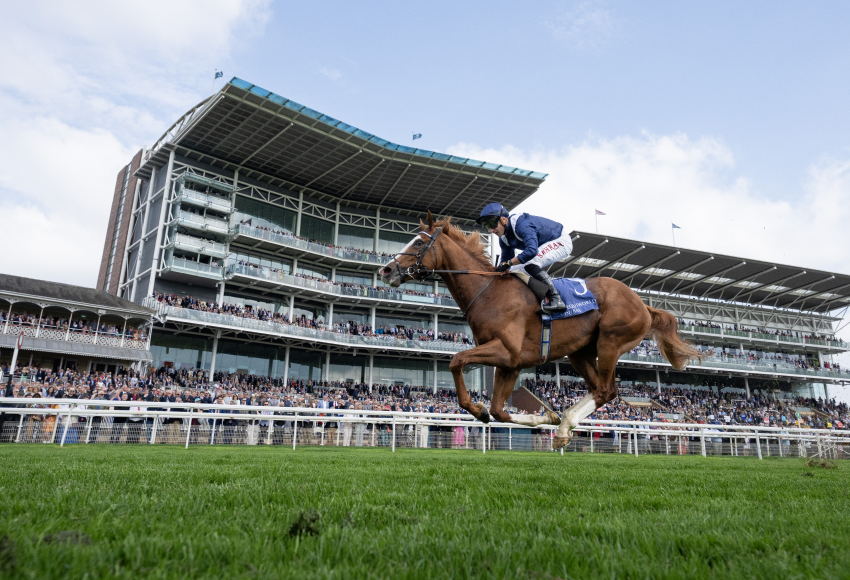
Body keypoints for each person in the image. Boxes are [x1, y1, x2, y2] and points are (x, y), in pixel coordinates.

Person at [476, 202, 571, 313]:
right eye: (488, 226)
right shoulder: (503, 239)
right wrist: (498, 271)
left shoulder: (521, 224)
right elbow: (506, 263)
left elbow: (531, 251)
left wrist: (509, 263)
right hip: (543, 246)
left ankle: (556, 299)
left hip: (561, 240)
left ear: (503, 219)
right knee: (514, 269)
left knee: (531, 262)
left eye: (492, 224)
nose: (491, 230)